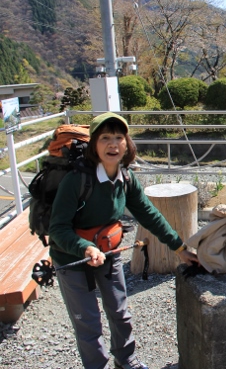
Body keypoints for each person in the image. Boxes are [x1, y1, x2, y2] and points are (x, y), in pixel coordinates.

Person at [48, 112, 199, 369]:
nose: (113, 144)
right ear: (94, 145)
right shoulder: (77, 180)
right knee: (88, 321)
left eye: (119, 137)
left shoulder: (126, 179)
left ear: (127, 144)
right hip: (72, 259)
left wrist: (179, 247)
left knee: (120, 312)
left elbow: (149, 214)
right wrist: (85, 248)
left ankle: (125, 359)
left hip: (109, 253)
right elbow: (58, 229)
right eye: (105, 138)